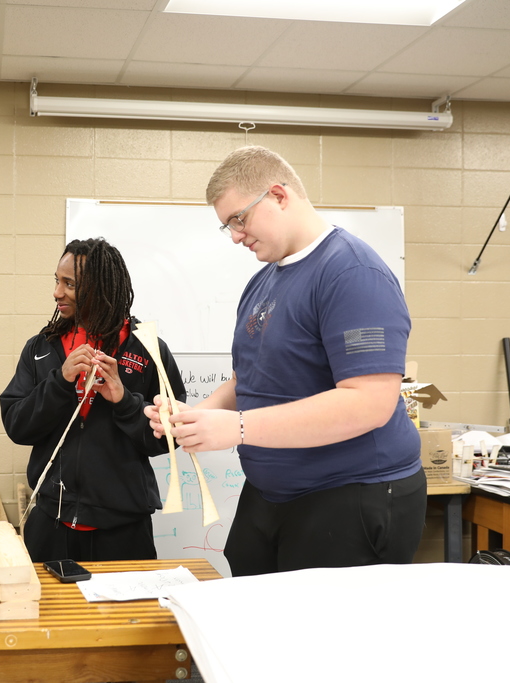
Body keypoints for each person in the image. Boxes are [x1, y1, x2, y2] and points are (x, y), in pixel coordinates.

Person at [146, 145, 426, 576]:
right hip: (272, 495)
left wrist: (237, 428)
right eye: (228, 227)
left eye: (239, 219)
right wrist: (195, 417)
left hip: (349, 494)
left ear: (279, 195)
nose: (236, 235)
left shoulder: (352, 273)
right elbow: (249, 381)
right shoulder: (263, 283)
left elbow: (369, 402)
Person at [0, 238, 185, 563]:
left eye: (69, 284)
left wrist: (123, 400)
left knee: (128, 615)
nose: (57, 292)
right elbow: (17, 426)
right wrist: (60, 382)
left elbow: (168, 437)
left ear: (98, 288)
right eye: (57, 281)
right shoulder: (42, 347)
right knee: (49, 615)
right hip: (52, 524)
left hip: (124, 530)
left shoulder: (148, 349)